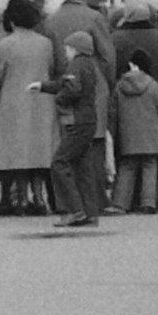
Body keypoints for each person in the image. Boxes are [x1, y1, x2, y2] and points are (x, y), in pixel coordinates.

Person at [0, 0, 60, 215]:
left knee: (17, 151)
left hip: (13, 101)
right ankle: (39, 198)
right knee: (40, 151)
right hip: (41, 101)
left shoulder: (3, 45)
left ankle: (19, 198)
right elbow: (51, 68)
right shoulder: (45, 43)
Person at [37, 28, 108, 227]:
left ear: (75, 49)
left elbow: (71, 89)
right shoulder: (89, 65)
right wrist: (43, 86)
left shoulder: (75, 65)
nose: (65, 52)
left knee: (59, 162)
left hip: (76, 120)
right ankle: (90, 212)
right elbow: (65, 83)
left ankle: (73, 210)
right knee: (83, 166)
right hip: (89, 120)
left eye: (67, 48)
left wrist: (59, 100)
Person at [107, 49, 158, 215]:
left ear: (131, 64)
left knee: (127, 167)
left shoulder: (120, 86)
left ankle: (120, 204)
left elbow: (113, 109)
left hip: (128, 134)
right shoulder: (152, 84)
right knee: (150, 166)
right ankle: (148, 203)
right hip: (151, 134)